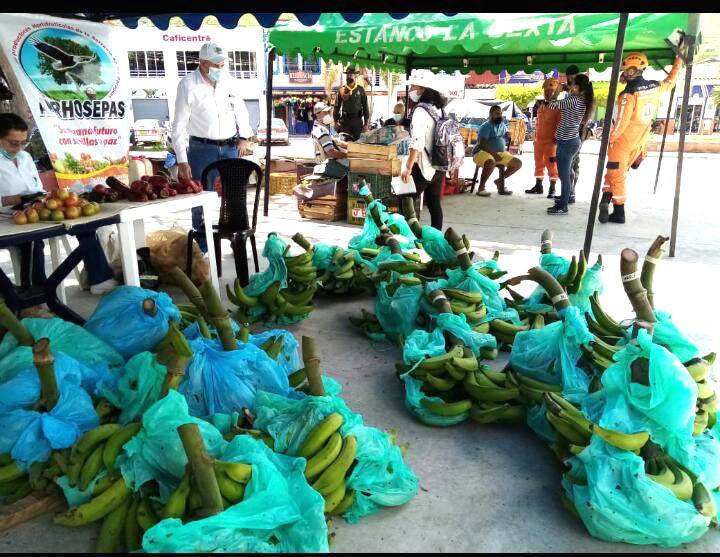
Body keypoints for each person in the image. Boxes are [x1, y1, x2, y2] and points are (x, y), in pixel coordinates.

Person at [0, 113, 118, 295]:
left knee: (85, 225)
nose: (19, 148)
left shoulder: (25, 158)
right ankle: (37, 294)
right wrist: (8, 200)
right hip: (7, 218)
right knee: (32, 241)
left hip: (35, 209)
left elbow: (36, 186)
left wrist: (42, 197)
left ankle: (100, 278)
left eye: (23, 142)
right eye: (13, 143)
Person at [171, 42, 254, 252]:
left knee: (235, 196)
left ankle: (236, 239)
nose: (220, 68)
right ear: (202, 62)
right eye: (215, 64)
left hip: (229, 147)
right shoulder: (188, 85)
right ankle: (203, 249)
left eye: (222, 63)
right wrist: (182, 160)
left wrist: (243, 136)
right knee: (200, 199)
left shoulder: (228, 82)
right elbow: (179, 125)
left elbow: (241, 111)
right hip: (201, 149)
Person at [599, 52, 684, 224]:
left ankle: (619, 212)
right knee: (614, 173)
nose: (623, 74)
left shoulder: (628, 94)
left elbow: (621, 122)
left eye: (624, 71)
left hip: (622, 143)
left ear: (631, 71)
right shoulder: (654, 86)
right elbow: (670, 82)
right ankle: (605, 199)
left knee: (617, 175)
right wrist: (678, 61)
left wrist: (609, 139)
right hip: (639, 142)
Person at [399, 69, 447, 230]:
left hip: (424, 165)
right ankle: (436, 238)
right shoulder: (439, 109)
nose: (411, 90)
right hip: (439, 164)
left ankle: (409, 237)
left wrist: (408, 167)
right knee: (434, 204)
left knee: (406, 200)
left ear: (422, 89)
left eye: (413, 86)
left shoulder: (420, 111)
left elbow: (417, 143)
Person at [545, 74, 595, 215]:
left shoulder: (574, 100)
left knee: (564, 176)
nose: (569, 85)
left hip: (567, 143)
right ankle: (566, 197)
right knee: (567, 173)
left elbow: (551, 104)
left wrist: (557, 90)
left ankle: (563, 206)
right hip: (569, 141)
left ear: (577, 87)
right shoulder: (580, 99)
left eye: (572, 84)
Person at [561, 65, 595, 203]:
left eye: (571, 78)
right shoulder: (576, 91)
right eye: (568, 77)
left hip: (577, 132)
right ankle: (569, 192)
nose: (569, 80)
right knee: (570, 163)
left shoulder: (583, 93)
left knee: (571, 163)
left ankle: (571, 193)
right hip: (574, 131)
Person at [471, 105, 522, 197]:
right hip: (481, 152)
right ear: (491, 114)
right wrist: (494, 154)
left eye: (501, 113)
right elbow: (482, 144)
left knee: (517, 163)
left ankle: (499, 181)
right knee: (491, 162)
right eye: (497, 114)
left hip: (499, 153)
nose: (500, 116)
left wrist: (507, 135)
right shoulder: (486, 126)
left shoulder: (502, 125)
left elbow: (505, 135)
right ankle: (481, 188)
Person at [526, 79, 561, 196]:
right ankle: (538, 185)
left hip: (551, 142)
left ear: (556, 92)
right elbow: (538, 124)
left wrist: (557, 139)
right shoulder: (541, 106)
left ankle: (552, 188)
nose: (547, 93)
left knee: (551, 164)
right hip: (538, 141)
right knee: (538, 163)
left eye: (550, 91)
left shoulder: (558, 107)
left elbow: (560, 124)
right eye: (546, 91)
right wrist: (534, 138)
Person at [310, 102, 349, 177]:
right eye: (325, 112)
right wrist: (347, 155)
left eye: (328, 112)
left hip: (329, 162)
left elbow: (336, 141)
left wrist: (352, 147)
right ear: (317, 114)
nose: (328, 114)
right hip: (329, 164)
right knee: (354, 167)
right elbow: (331, 153)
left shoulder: (321, 127)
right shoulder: (321, 131)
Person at [333, 65, 369, 141]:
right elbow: (337, 106)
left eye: (351, 75)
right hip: (345, 122)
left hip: (357, 121)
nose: (349, 76)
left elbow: (365, 107)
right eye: (348, 75)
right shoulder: (342, 90)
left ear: (355, 76)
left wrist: (366, 124)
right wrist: (335, 121)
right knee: (345, 144)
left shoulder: (360, 90)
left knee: (357, 143)